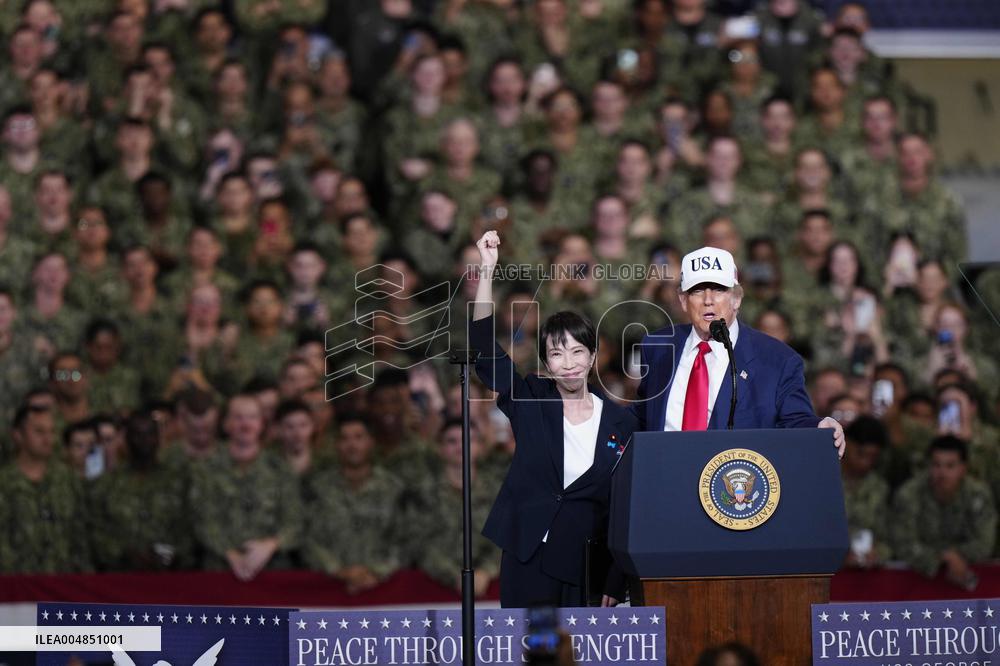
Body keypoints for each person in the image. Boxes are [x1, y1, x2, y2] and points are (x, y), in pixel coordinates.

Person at [469, 230, 637, 608]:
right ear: (546, 363)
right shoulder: (531, 399)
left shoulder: (621, 423)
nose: (570, 363)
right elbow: (483, 347)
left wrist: (616, 575)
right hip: (527, 553)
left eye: (578, 351)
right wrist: (487, 269)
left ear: (593, 357)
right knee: (529, 652)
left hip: (584, 565)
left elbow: (620, 507)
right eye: (557, 354)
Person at [632, 246, 845, 455]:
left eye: (718, 289)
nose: (708, 300)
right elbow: (642, 416)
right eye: (697, 290)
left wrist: (819, 427)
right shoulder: (658, 346)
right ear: (683, 300)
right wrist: (600, 409)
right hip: (663, 479)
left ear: (736, 298)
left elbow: (795, 421)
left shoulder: (778, 361)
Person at [891, 436, 995, 589]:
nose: (942, 473)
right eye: (936, 465)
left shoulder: (978, 494)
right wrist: (943, 557)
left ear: (963, 468)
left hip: (970, 584)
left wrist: (955, 555)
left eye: (950, 466)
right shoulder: (910, 493)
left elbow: (985, 543)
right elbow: (902, 542)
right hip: (916, 585)